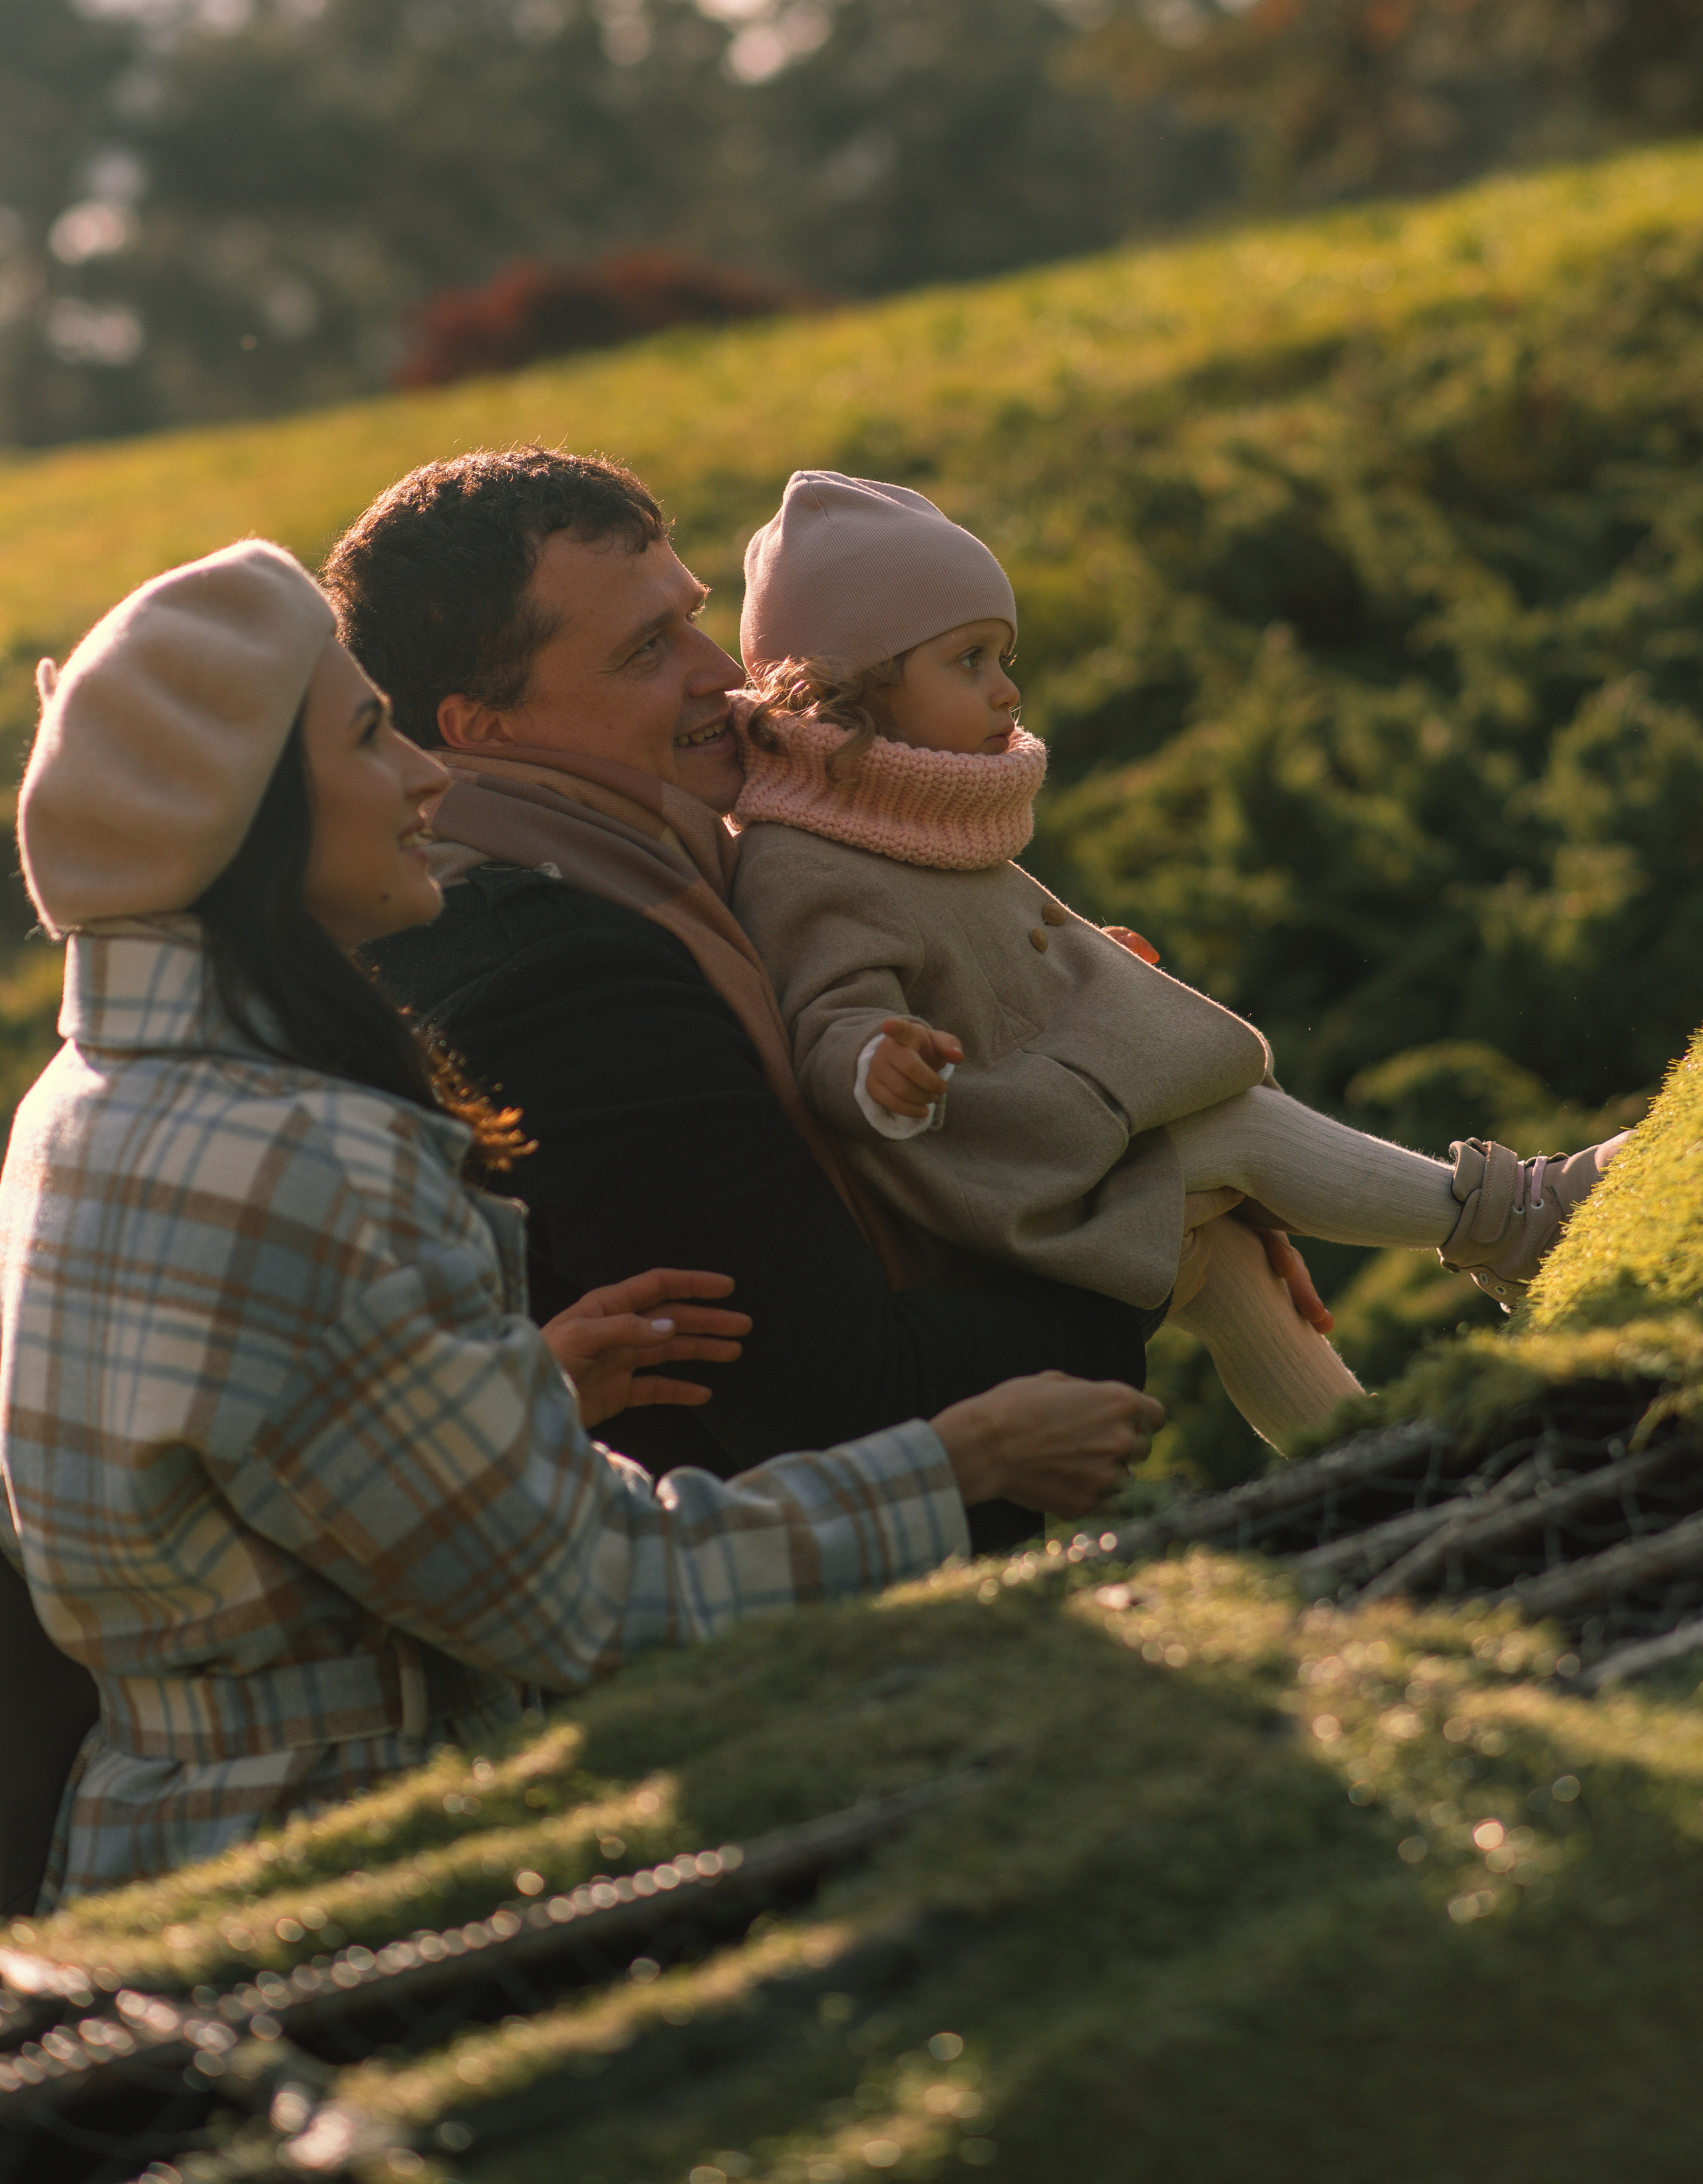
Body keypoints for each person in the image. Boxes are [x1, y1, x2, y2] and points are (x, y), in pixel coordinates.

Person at [0, 540, 1160, 1903]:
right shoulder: (310, 1156)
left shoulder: (81, 1101)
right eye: (372, 740)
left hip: (150, 1853)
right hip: (360, 1878)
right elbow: (588, 1598)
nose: (429, 778)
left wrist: (504, 1394)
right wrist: (956, 1460)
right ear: (244, 815)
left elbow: (226, 1473)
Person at [326, 449, 1305, 1545]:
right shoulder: (559, 984)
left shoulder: (630, 873)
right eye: (648, 650)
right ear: (481, 728)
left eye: (696, 616)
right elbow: (844, 1397)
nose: (722, 672)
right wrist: (1144, 1249)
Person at [728, 470, 1627, 1442]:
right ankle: (1519, 1217)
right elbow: (832, 1011)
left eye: (1006, 655)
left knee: (1237, 1273)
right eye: (970, 660)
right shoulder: (804, 851)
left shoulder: (909, 801)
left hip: (1052, 1137)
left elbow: (970, 959)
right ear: (853, 682)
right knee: (1235, 1124)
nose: (1007, 687)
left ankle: (1362, 1460)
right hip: (1010, 1175)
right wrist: (877, 1063)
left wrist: (1072, 972)